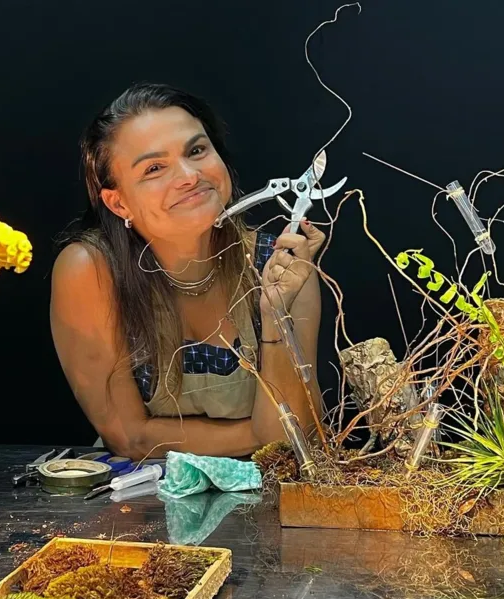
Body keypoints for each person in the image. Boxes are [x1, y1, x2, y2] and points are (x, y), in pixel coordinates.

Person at [51, 83, 323, 460]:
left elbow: (301, 434)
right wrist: (263, 435)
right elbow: (129, 439)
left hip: (270, 495)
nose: (189, 175)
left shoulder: (282, 265)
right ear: (118, 202)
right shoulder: (90, 270)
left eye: (196, 150)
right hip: (141, 498)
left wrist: (275, 317)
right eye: (154, 168)